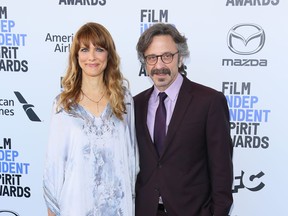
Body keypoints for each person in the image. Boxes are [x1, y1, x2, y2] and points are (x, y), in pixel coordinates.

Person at [134, 23, 233, 216]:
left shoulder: (209, 102)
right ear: (145, 62)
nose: (159, 65)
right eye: (152, 58)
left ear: (180, 58)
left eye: (167, 56)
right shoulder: (135, 105)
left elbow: (222, 171)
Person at [43, 22, 139, 216]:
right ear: (76, 56)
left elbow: (132, 160)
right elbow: (54, 166)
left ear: (108, 55)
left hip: (118, 209)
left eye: (99, 49)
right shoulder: (63, 105)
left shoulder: (124, 101)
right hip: (75, 208)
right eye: (85, 49)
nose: (92, 57)